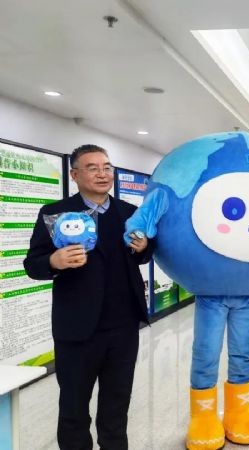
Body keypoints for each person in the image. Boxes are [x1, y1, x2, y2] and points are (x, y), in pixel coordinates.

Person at [24, 145, 153, 450]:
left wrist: (144, 247)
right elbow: (33, 264)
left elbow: (143, 255)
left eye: (107, 167)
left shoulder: (129, 213)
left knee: (117, 405)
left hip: (123, 327)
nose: (102, 174)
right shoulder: (55, 213)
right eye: (92, 168)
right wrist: (54, 261)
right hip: (77, 329)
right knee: (73, 408)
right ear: (74, 174)